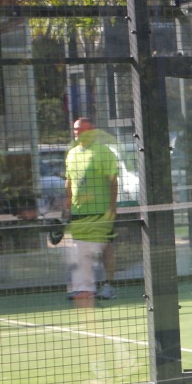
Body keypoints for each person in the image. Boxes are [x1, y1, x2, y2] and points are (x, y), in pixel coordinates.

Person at [63, 117, 119, 307]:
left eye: (83, 130)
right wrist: (67, 205)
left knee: (106, 249)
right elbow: (69, 182)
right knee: (80, 252)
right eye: (76, 130)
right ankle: (85, 288)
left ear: (92, 131)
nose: (78, 133)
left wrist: (112, 207)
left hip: (101, 212)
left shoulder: (103, 152)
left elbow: (113, 181)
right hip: (79, 213)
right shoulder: (71, 154)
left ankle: (108, 285)